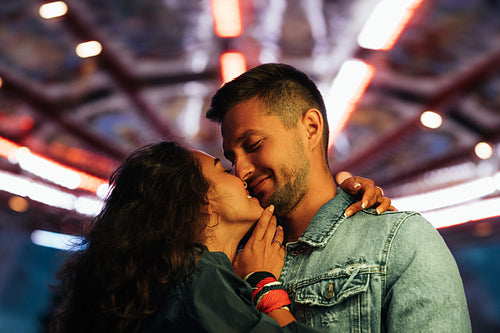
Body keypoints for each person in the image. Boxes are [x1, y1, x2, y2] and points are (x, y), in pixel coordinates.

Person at [206, 63, 472, 332]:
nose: (241, 170)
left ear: (311, 127)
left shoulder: (398, 240)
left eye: (253, 145)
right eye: (231, 160)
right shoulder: (234, 261)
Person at [49, 140, 390, 333]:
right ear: (196, 200)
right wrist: (264, 286)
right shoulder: (196, 277)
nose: (241, 173)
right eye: (224, 170)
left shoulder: (178, 277)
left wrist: (341, 195)